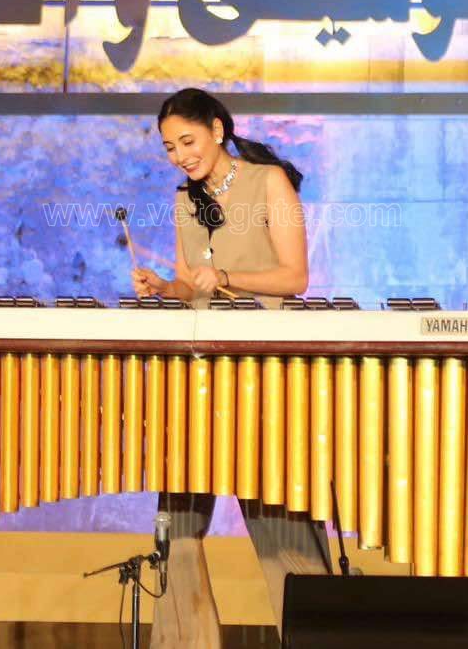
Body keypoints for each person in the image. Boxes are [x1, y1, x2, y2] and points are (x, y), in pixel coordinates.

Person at [131, 88, 327, 647]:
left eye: (187, 141)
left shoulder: (269, 182)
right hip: (198, 368)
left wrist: (227, 279)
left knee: (278, 517)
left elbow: (295, 278)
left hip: (262, 368)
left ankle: (317, 635)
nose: (180, 156)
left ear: (217, 130)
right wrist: (163, 287)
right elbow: (191, 286)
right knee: (178, 522)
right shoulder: (184, 199)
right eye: (170, 148)